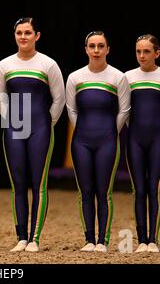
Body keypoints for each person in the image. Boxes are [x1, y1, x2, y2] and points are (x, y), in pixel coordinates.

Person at [0, 18, 65, 252]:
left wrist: (46, 122)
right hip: (14, 128)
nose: (23, 37)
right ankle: (21, 237)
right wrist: (11, 119)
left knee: (38, 184)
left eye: (28, 33)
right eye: (19, 33)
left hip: (40, 129)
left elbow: (59, 99)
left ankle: (34, 238)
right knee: (19, 184)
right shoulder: (5, 65)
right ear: (14, 35)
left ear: (37, 36)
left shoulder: (48, 64)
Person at [66, 31, 130, 252]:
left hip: (108, 141)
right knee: (85, 191)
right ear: (85, 49)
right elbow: (71, 109)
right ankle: (89, 240)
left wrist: (111, 131)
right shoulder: (75, 77)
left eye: (100, 46)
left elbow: (124, 110)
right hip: (81, 141)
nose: (96, 50)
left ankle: (102, 241)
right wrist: (82, 129)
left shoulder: (118, 77)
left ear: (108, 49)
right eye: (92, 46)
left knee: (103, 192)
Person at [125, 34, 160, 253]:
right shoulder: (127, 77)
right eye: (138, 51)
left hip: (158, 139)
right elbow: (125, 110)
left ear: (157, 53)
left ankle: (153, 240)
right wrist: (135, 130)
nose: (142, 55)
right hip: (134, 139)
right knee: (138, 189)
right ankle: (141, 241)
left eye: (146, 51)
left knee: (154, 188)